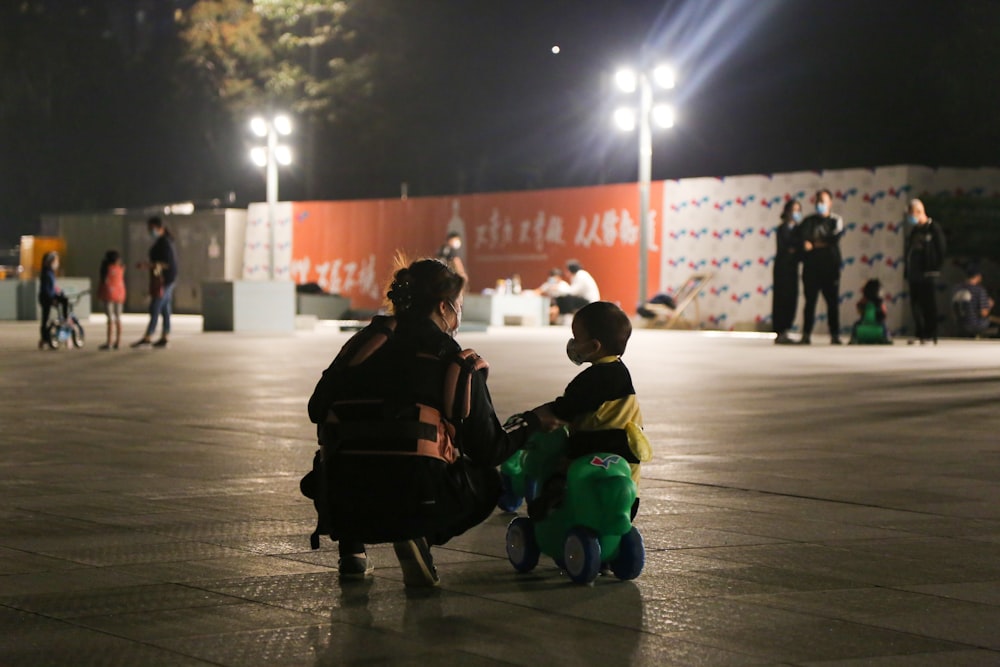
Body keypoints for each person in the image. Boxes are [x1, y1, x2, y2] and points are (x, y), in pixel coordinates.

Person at [305, 257, 547, 587]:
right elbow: (489, 449)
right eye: (459, 305)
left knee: (347, 446)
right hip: (416, 497)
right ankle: (419, 535)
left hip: (343, 498)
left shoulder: (364, 344)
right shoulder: (451, 358)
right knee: (489, 481)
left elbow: (317, 408)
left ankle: (352, 552)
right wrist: (533, 422)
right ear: (445, 307)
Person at [531, 301, 652, 519]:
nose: (573, 344)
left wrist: (536, 416)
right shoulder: (621, 373)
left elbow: (565, 409)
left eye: (577, 338)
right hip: (629, 489)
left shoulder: (592, 379)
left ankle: (552, 500)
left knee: (558, 464)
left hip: (597, 452)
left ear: (594, 346)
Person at [796, 189, 845, 344]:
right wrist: (814, 244)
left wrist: (814, 244)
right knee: (809, 303)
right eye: (817, 201)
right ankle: (806, 334)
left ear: (830, 202)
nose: (820, 204)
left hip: (830, 269)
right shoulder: (808, 221)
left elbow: (833, 238)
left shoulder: (836, 220)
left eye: (823, 201)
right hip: (811, 269)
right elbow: (802, 240)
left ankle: (835, 335)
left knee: (832, 304)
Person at [904, 198, 946, 345]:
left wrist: (933, 267)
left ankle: (930, 334)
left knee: (928, 305)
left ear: (919, 212)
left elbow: (941, 250)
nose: (910, 218)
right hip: (914, 274)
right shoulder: (915, 230)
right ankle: (920, 334)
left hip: (928, 274)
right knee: (915, 305)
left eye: (912, 214)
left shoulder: (933, 228)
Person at [131, 217, 178, 349]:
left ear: (160, 228)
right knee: (165, 308)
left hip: (165, 280)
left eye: (152, 229)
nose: (150, 231)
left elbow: (166, 264)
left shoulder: (165, 243)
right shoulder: (164, 241)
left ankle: (148, 336)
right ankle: (165, 336)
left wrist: (147, 265)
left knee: (155, 306)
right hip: (166, 279)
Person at [773, 199, 802, 344]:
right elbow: (787, 249)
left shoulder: (799, 230)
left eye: (798, 210)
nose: (795, 213)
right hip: (782, 269)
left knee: (792, 298)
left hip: (793, 269)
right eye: (793, 210)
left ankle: (787, 329)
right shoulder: (782, 229)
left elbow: (798, 249)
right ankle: (780, 330)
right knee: (781, 300)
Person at [953, 264, 1000, 338]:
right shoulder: (980, 291)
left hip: (961, 326)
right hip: (976, 326)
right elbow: (984, 313)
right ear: (978, 276)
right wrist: (989, 306)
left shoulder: (957, 289)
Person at [37, 251, 69, 350]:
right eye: (56, 261)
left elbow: (52, 287)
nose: (57, 263)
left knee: (45, 319)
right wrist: (53, 299)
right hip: (47, 297)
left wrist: (59, 292)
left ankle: (45, 339)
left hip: (48, 296)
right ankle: (45, 338)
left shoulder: (49, 272)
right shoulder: (47, 273)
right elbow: (47, 289)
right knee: (45, 319)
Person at [97, 249, 126, 350]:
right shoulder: (121, 268)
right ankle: (118, 341)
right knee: (118, 318)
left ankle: (109, 342)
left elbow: (102, 282)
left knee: (110, 319)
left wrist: (99, 294)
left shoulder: (105, 269)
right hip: (119, 295)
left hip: (108, 295)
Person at [849, 278, 891, 344]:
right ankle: (885, 338)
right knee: (884, 325)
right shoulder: (880, 302)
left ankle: (853, 338)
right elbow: (884, 315)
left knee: (856, 325)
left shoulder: (863, 301)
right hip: (878, 327)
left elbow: (859, 311)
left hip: (863, 326)